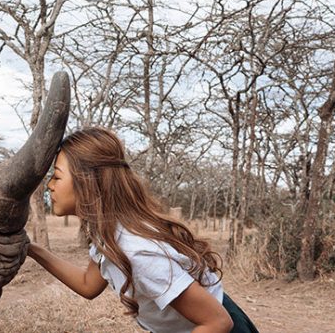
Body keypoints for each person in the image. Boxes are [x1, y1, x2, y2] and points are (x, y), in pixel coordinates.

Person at [28, 127, 258, 333]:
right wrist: (31, 249)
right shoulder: (107, 233)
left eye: (57, 176)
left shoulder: (137, 251)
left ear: (88, 183)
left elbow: (218, 322)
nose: (50, 185)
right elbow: (89, 284)